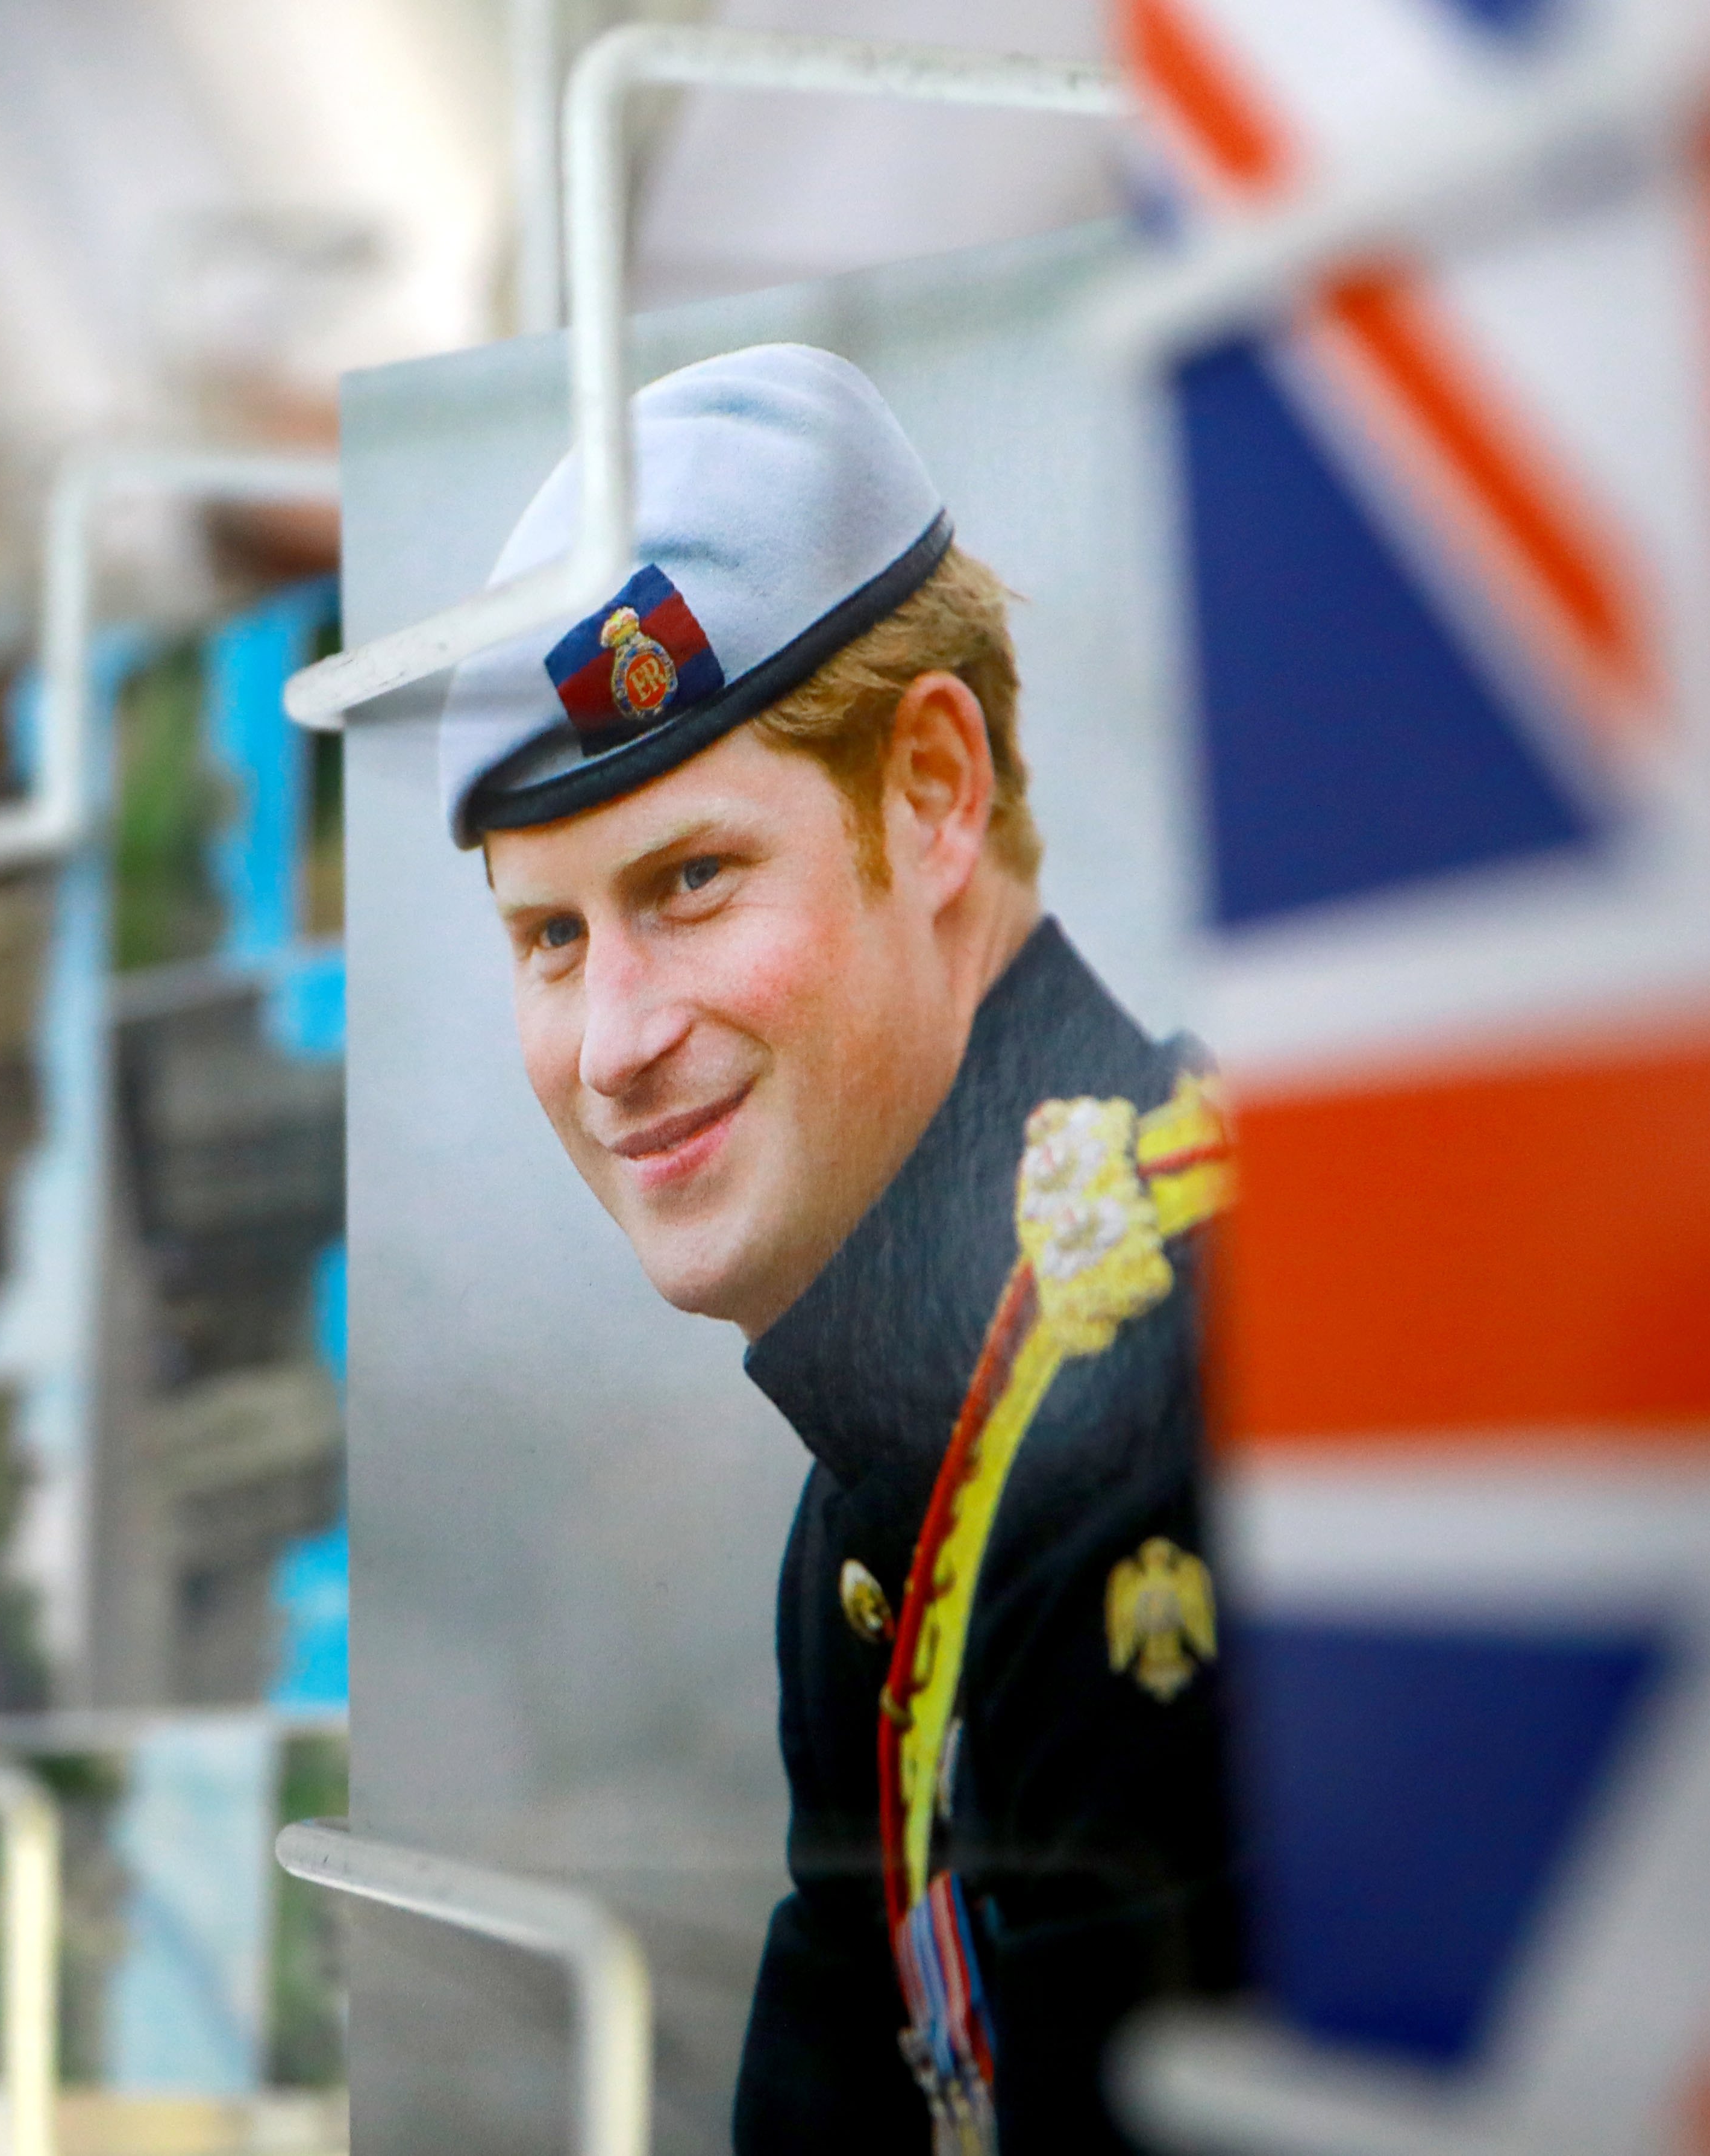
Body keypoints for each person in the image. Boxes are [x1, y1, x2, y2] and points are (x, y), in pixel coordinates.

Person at [439, 343, 1239, 2151]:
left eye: (690, 881)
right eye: (550, 938)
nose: (613, 1042)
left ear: (935, 791)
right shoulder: (908, 1458)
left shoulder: (1150, 1412)